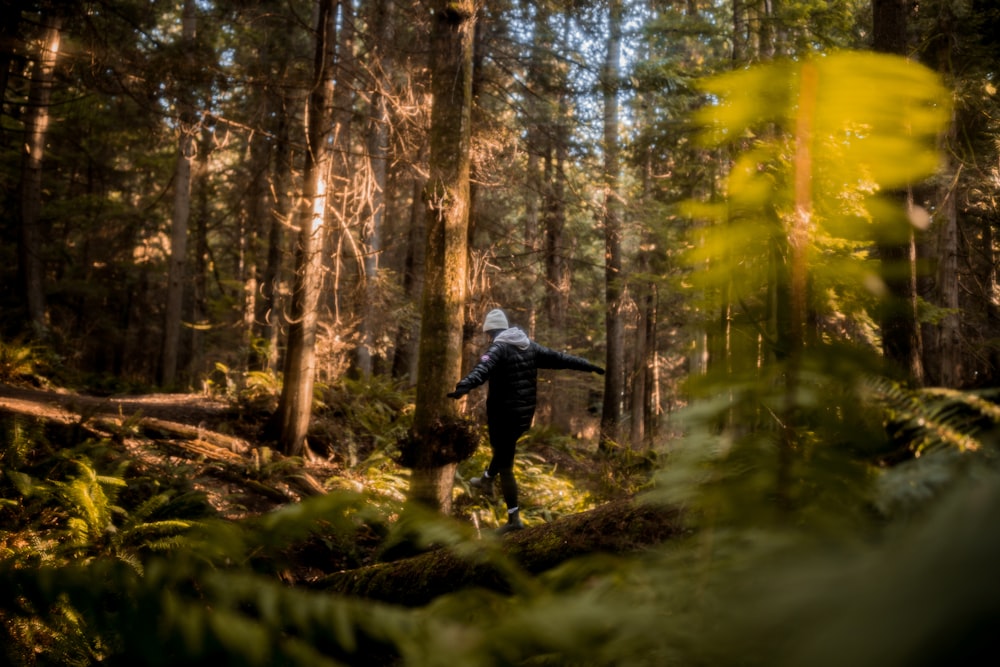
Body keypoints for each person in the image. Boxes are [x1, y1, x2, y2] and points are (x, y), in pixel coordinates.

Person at [447, 308, 605, 534]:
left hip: (503, 415)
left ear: (491, 332)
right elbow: (560, 358)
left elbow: (482, 367)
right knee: (503, 450)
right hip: (523, 416)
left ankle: (513, 519)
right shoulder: (529, 346)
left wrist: (463, 386)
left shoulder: (498, 347)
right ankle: (486, 479)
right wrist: (587, 364)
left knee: (506, 465)